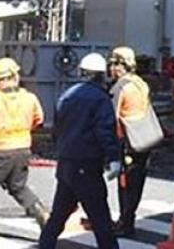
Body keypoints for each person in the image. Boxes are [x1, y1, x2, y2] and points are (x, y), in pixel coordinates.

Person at [39, 53, 120, 249]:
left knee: (58, 215)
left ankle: (45, 245)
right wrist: (114, 157)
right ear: (102, 75)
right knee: (100, 218)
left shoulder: (67, 95)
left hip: (66, 162)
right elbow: (104, 132)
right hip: (87, 164)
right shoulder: (100, 99)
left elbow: (57, 129)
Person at [0, 58, 48, 244]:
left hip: (1, 150)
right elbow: (39, 119)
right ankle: (41, 213)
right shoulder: (29, 97)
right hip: (23, 147)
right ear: (14, 75)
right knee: (18, 186)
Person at [108, 47, 156, 239]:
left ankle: (125, 222)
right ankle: (129, 219)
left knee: (125, 183)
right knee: (137, 182)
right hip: (144, 139)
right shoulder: (141, 84)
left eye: (112, 64)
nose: (111, 68)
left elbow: (111, 117)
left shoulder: (120, 87)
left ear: (120, 65)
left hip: (127, 141)